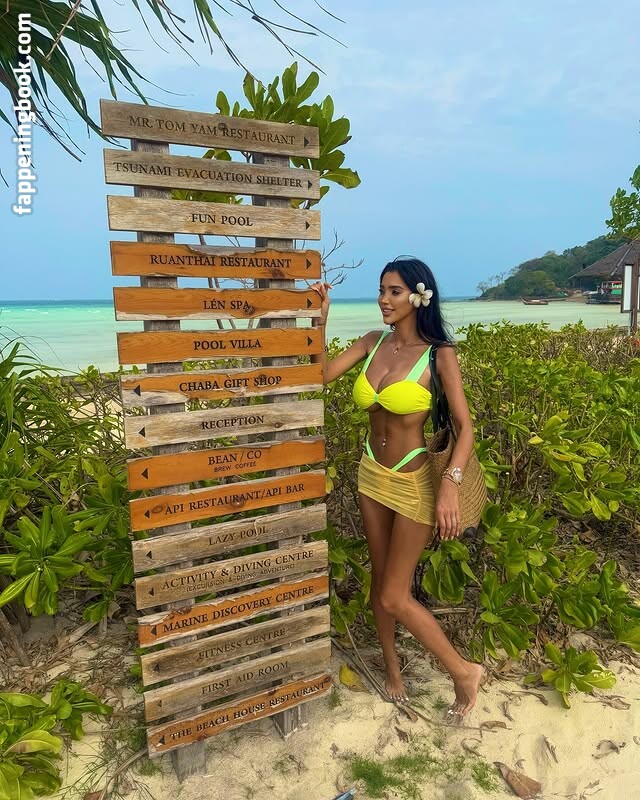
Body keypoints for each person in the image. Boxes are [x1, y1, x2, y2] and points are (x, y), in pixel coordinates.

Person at [311, 256, 484, 720]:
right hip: (371, 473)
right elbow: (320, 374)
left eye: (394, 291)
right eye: (381, 290)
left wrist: (450, 485)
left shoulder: (438, 354)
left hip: (413, 481)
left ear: (418, 296)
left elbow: (466, 428)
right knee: (379, 579)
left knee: (394, 594)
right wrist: (320, 320)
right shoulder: (373, 342)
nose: (383, 300)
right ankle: (392, 669)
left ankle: (464, 672)